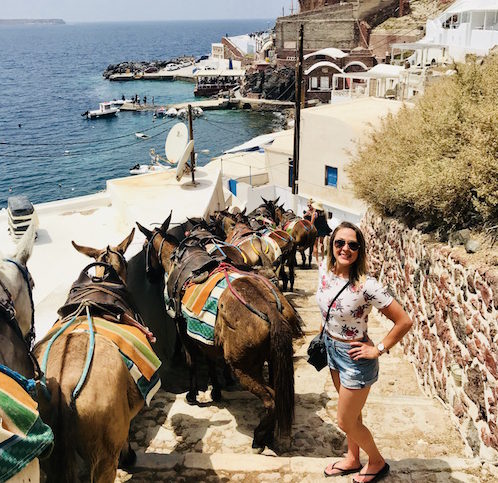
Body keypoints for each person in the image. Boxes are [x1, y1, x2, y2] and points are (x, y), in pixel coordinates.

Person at [318, 221, 412, 482]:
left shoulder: (367, 285)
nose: (345, 248)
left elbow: (404, 321)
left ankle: (377, 461)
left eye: (352, 245)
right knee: (353, 414)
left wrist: (379, 349)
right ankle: (352, 458)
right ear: (332, 245)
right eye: (340, 243)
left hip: (355, 357)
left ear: (359, 250)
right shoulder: (324, 272)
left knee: (345, 421)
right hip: (332, 349)